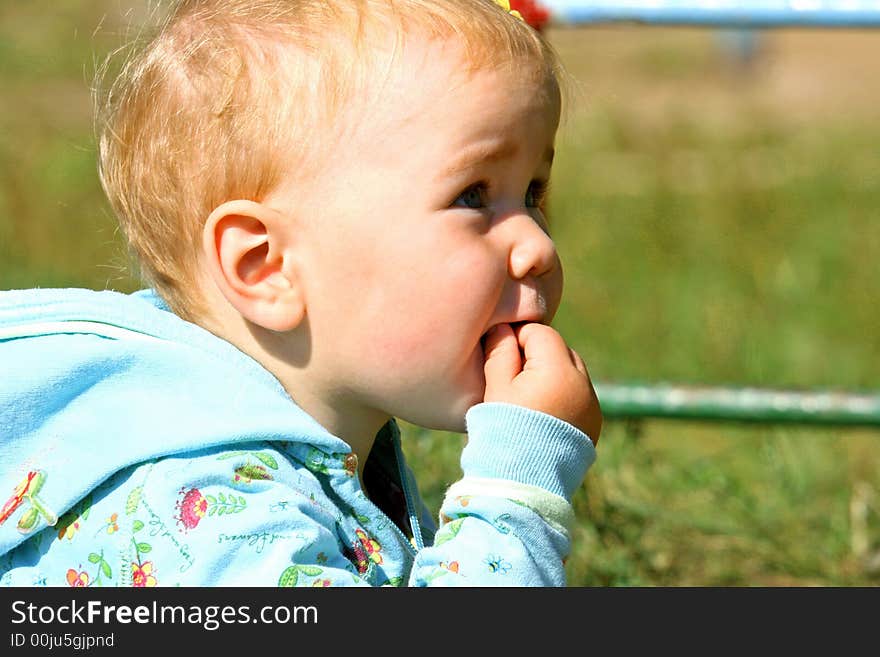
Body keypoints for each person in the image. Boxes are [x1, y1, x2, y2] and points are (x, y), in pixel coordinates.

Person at [0, 0, 601, 587]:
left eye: (532, 193)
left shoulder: (321, 450)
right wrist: (516, 496)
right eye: (473, 195)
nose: (538, 246)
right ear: (266, 267)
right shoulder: (209, 517)